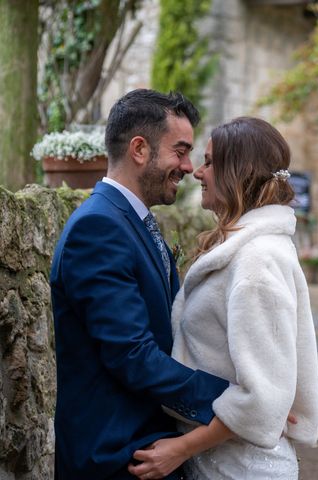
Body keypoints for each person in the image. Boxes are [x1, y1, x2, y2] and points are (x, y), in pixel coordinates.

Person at [50, 89, 230, 479]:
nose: (188, 167)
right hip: (114, 454)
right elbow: (132, 354)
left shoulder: (130, 221)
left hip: (143, 448)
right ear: (139, 149)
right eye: (180, 151)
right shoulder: (98, 228)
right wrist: (233, 400)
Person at [128, 117, 318, 480]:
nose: (198, 172)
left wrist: (179, 450)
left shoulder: (256, 261)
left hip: (242, 468)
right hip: (226, 460)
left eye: (210, 161)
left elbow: (264, 400)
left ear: (241, 171)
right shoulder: (246, 250)